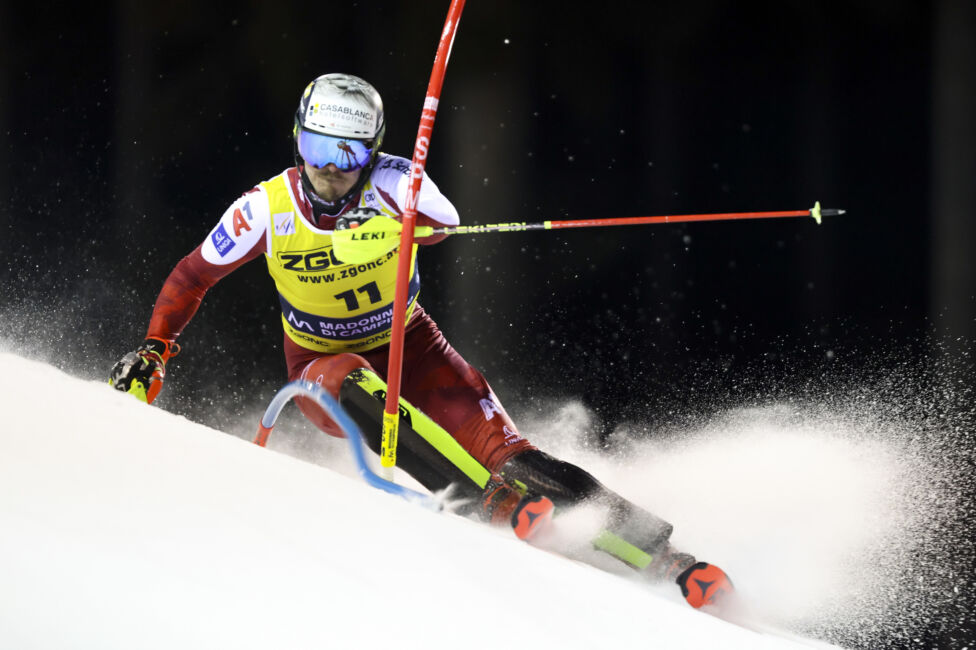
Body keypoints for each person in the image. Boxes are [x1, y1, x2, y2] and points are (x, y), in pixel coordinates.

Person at [109, 73, 731, 608]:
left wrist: (394, 224)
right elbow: (192, 276)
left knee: (515, 458)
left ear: (371, 153)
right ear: (297, 139)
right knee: (345, 377)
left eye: (348, 152)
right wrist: (155, 350)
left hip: (414, 347)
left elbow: (444, 223)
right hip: (322, 365)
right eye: (317, 145)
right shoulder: (264, 210)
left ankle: (664, 558)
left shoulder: (393, 180)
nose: (330, 167)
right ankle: (488, 503)